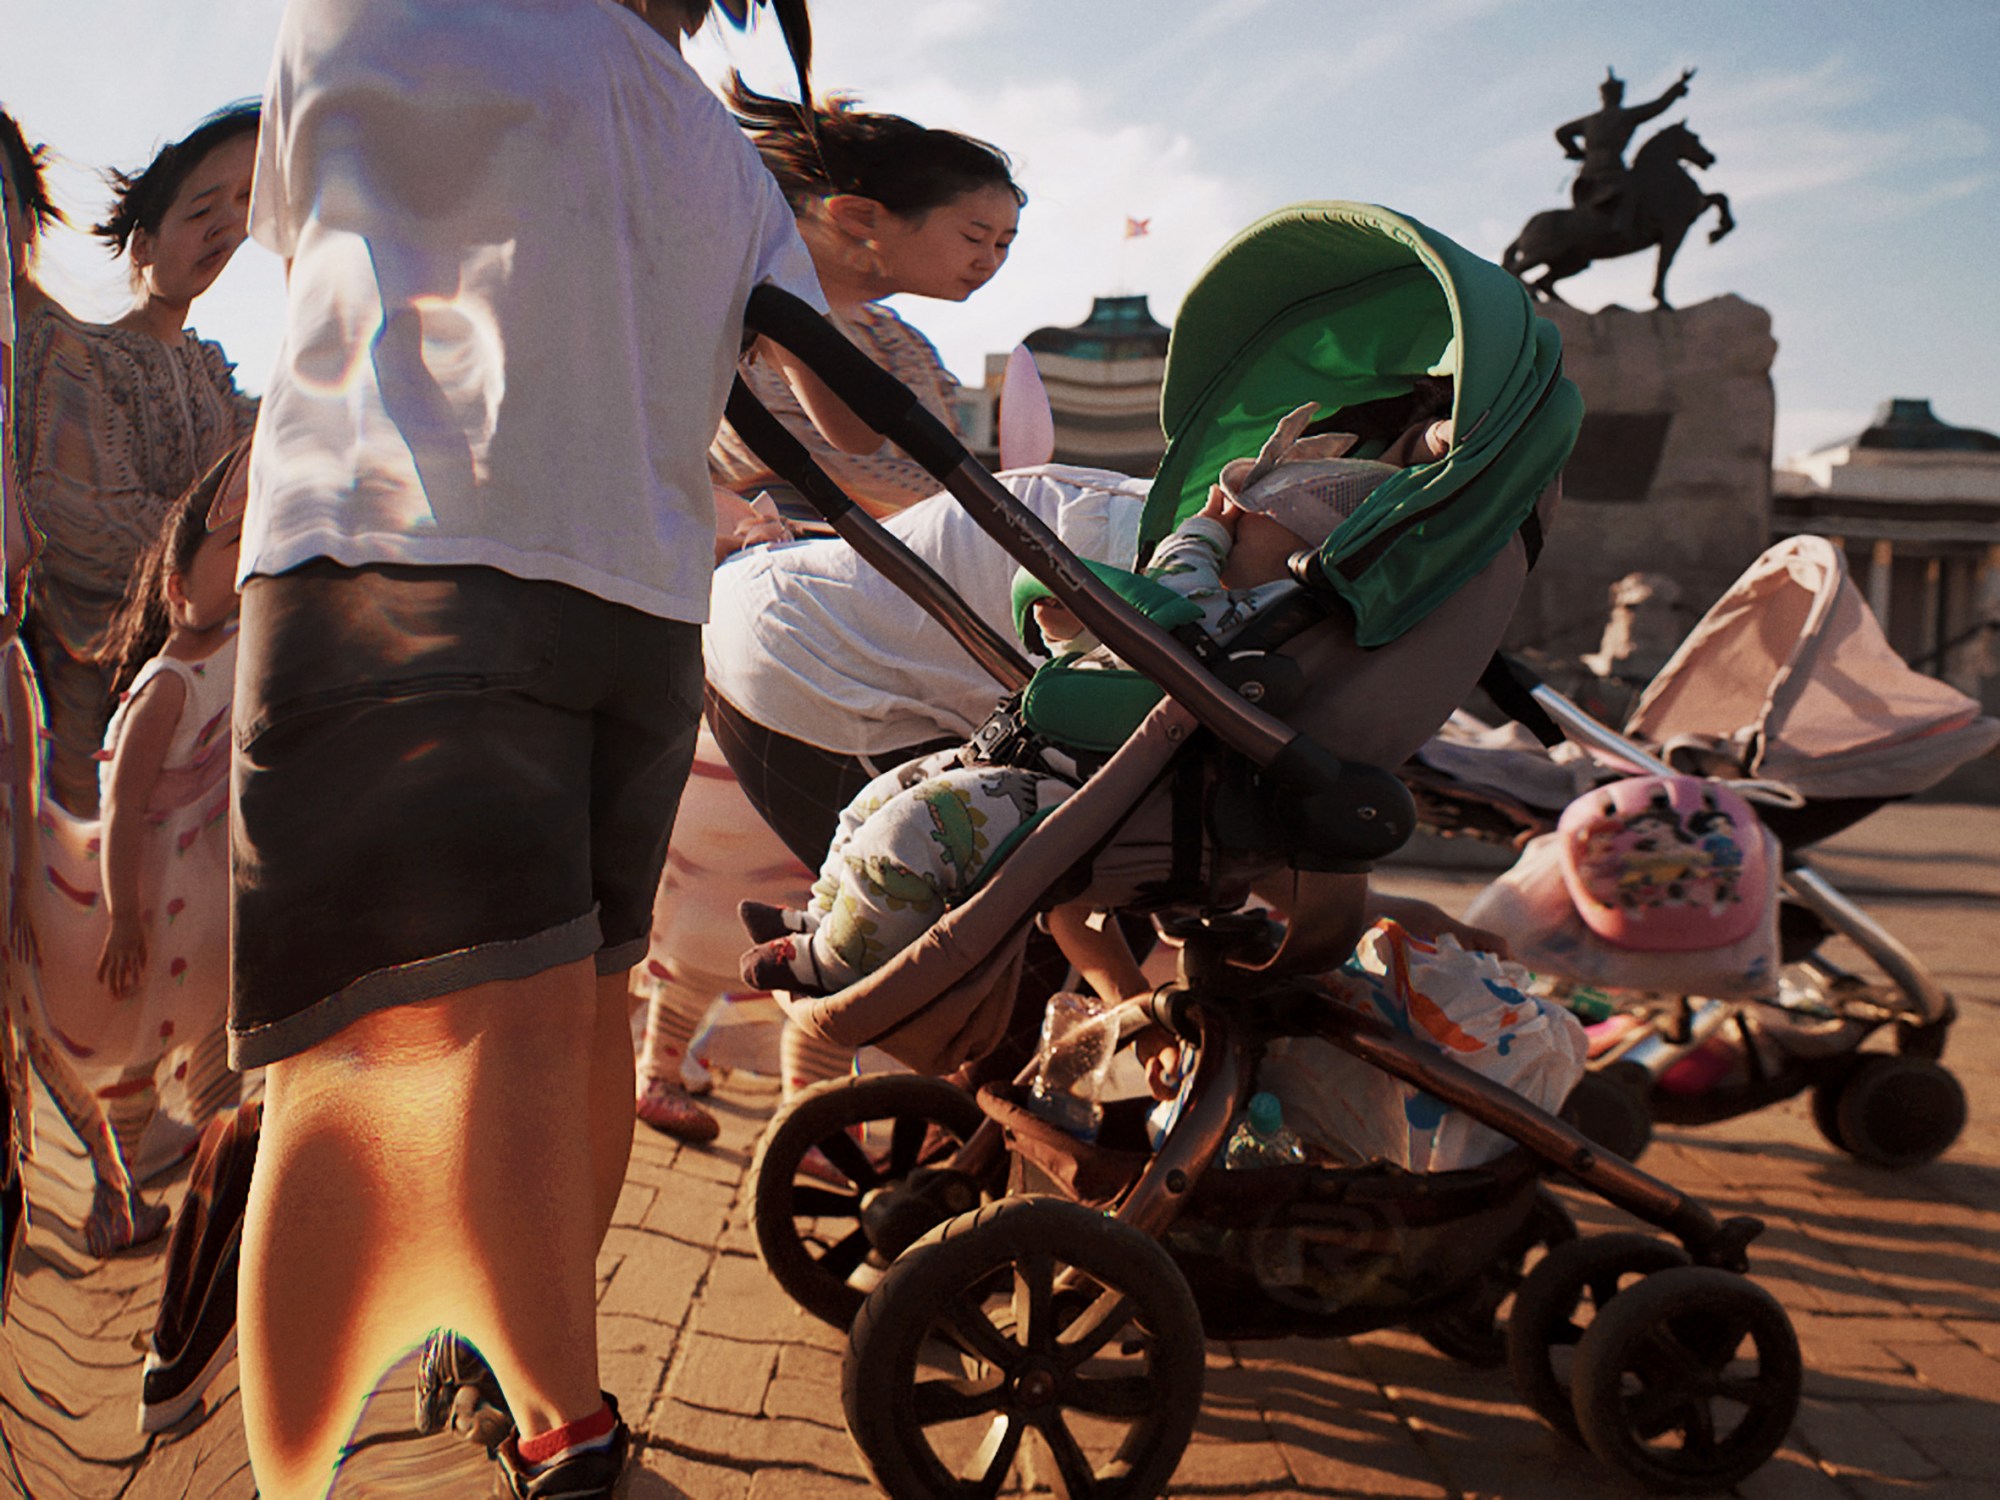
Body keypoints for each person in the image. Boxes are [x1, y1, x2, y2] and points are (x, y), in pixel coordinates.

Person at [231, 3, 874, 1498]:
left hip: (405, 558)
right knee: (580, 1009)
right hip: (643, 608)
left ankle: (543, 1427)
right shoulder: (720, 146)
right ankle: (525, 1373)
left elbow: (306, 222)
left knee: (366, 1050)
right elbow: (839, 406)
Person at [635, 83, 1024, 1141]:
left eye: (1005, 241)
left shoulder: (901, 351)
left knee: (844, 877)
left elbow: (924, 483)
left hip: (879, 615)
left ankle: (818, 1106)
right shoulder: (731, 309)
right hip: (759, 615)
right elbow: (675, 453)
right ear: (859, 221)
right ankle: (724, 1075)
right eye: (974, 233)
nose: (991, 258)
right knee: (744, 880)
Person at [740, 432, 1414, 998]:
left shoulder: (1243, 616)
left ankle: (830, 965)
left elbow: (1180, 576)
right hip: (1038, 758)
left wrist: (1205, 529)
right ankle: (824, 917)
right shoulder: (1225, 610)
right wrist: (1076, 624)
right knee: (879, 798)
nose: (1234, 528)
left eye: (1253, 524)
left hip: (1085, 791)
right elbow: (1160, 594)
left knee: (914, 831)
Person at [11, 103, 259, 817]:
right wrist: (229, 558)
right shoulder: (79, 357)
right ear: (142, 246)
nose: (223, 227)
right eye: (200, 211)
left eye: (240, 208)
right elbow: (82, 520)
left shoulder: (215, 377)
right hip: (96, 702)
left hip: (210, 694)